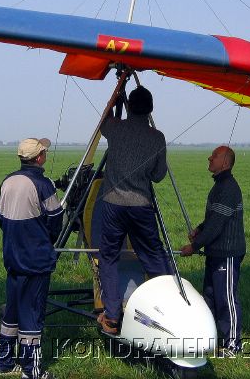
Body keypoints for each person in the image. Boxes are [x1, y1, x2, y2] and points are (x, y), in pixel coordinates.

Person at [95, 85, 172, 334]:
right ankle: (169, 306)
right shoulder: (157, 137)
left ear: (129, 107)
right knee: (152, 255)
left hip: (113, 203)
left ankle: (112, 315)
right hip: (141, 205)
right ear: (150, 110)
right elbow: (159, 175)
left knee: (108, 256)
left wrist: (116, 95)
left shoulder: (116, 128)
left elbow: (104, 121)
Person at [0, 138, 63, 379]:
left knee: (12, 311)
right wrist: (44, 240)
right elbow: (56, 219)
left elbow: (0, 216)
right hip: (36, 260)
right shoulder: (43, 185)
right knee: (32, 314)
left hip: (12, 257)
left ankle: (4, 363)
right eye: (44, 151)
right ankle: (31, 372)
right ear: (39, 158)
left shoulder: (7, 181)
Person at [180, 146, 245, 356]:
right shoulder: (218, 186)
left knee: (226, 299)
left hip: (227, 253)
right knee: (210, 296)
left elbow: (216, 226)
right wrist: (199, 229)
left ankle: (233, 346)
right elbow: (212, 219)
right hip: (215, 252)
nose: (209, 158)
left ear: (225, 162)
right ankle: (209, 339)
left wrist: (194, 246)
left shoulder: (228, 188)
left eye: (214, 156)